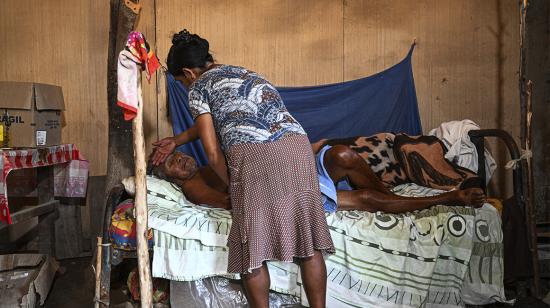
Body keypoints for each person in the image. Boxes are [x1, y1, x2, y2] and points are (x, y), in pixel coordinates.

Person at [152, 29, 334, 308]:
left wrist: (236, 185)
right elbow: (223, 119)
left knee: (251, 255)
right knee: (308, 244)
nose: (185, 87)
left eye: (181, 82)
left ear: (188, 73)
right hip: (297, 147)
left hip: (256, 156)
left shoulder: (198, 87)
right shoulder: (245, 72)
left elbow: (213, 154)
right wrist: (177, 140)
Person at [151, 148, 485, 216]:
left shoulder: (208, 160)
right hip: (281, 190)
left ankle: (390, 192)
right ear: (173, 180)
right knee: (365, 199)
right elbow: (229, 202)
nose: (179, 160)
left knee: (342, 155)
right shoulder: (194, 187)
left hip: (285, 171)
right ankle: (447, 199)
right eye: (173, 165)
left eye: (177, 155)